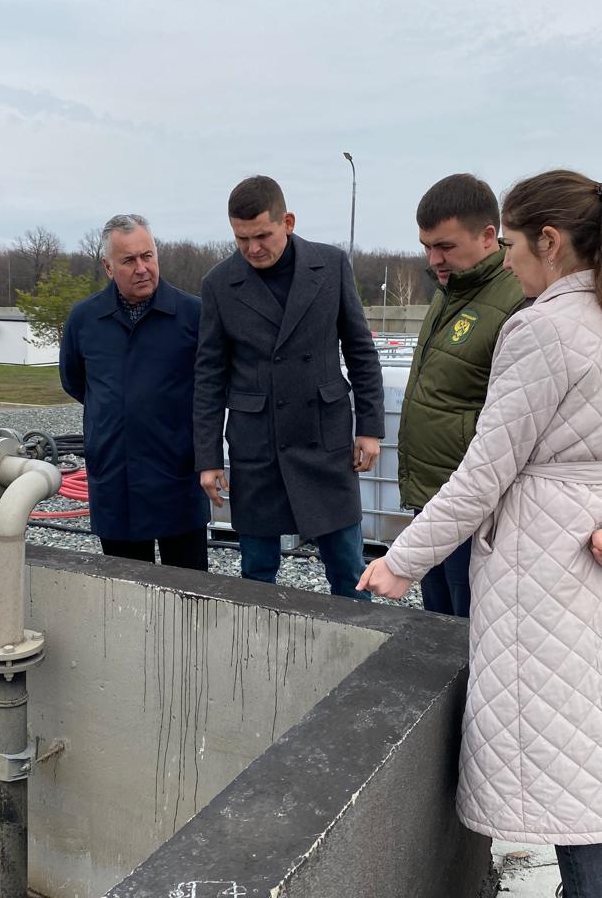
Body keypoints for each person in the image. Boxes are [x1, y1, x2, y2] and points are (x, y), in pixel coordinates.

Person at [358, 170, 602, 898]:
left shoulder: (539, 329)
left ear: (551, 242)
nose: (506, 258)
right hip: (597, 572)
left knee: (567, 761)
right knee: (594, 746)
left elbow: (482, 475)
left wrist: (402, 560)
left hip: (539, 572)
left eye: (513, 242)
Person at [195, 176, 384, 598]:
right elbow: (208, 378)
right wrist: (207, 458)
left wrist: (369, 428)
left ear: (289, 222)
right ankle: (256, 656)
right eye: (241, 238)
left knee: (349, 573)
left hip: (325, 441)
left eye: (262, 235)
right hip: (258, 448)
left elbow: (360, 350)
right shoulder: (219, 284)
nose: (253, 248)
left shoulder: (331, 265)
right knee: (257, 576)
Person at [397, 174, 528, 617]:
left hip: (474, 512)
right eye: (426, 247)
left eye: (446, 246)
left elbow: (514, 420)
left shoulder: (518, 300)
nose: (434, 259)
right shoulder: (451, 289)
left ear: (489, 235)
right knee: (438, 627)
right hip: (432, 500)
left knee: (470, 633)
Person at [60, 213, 209, 570]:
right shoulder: (85, 320)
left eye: (148, 256)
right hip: (116, 481)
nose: (142, 268)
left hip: (176, 479)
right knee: (124, 595)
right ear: (108, 267)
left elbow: (211, 386)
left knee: (189, 597)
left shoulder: (192, 315)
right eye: (129, 260)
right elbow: (75, 382)